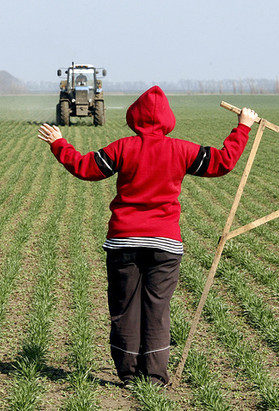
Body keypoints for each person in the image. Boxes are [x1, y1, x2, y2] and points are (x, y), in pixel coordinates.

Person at [37, 85, 258, 386]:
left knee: (125, 309)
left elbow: (85, 167)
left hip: (123, 243)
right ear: (168, 119)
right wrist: (242, 127)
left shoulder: (123, 147)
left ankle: (128, 375)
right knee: (157, 309)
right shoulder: (181, 149)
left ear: (134, 116)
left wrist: (60, 143)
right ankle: (154, 377)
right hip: (165, 245)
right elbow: (222, 162)